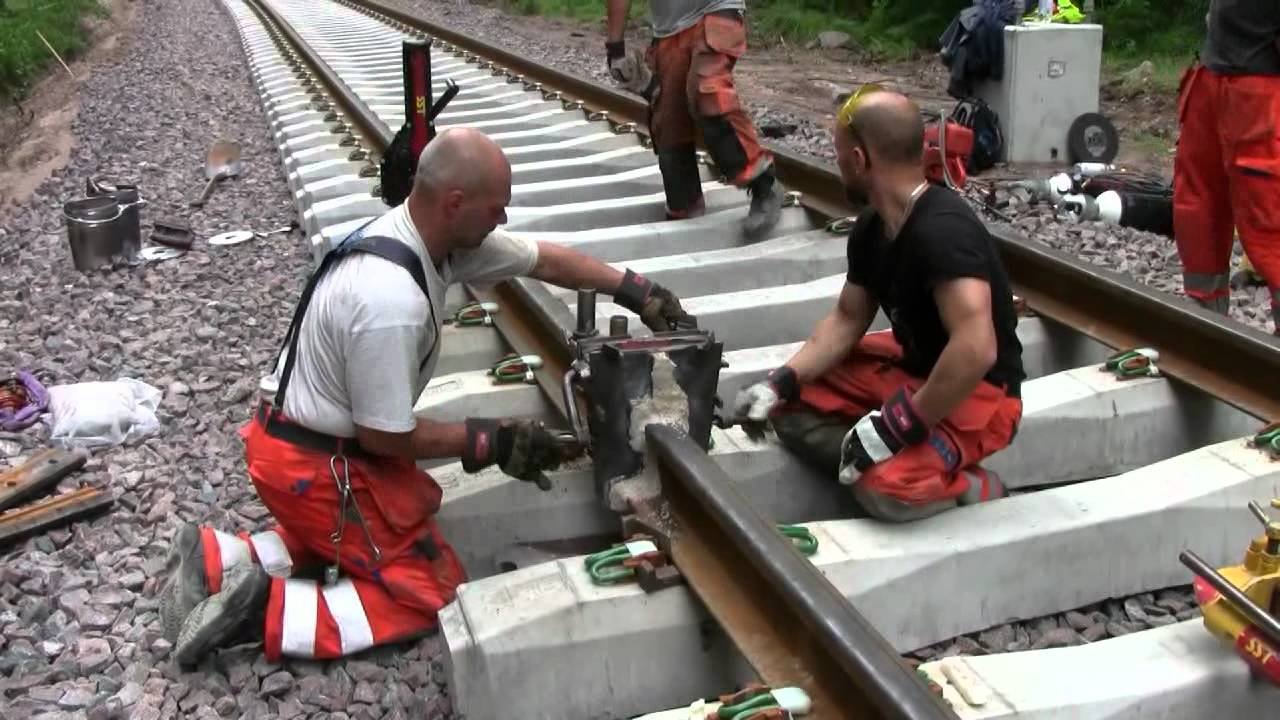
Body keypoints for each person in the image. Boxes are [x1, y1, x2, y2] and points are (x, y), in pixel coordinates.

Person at [157, 128, 693, 666]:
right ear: (455, 204)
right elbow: (384, 437)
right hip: (315, 466)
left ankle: (219, 560)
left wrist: (637, 291)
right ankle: (264, 613)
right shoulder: (390, 300)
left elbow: (544, 260)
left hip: (299, 446)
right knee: (431, 591)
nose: (501, 222)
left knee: (381, 526)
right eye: (495, 210)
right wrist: (490, 441)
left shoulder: (429, 241)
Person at [731, 87, 1025, 522]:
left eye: (839, 154)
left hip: (980, 391)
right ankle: (880, 451)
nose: (838, 164)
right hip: (915, 368)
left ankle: (969, 485)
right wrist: (781, 382)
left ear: (860, 159)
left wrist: (896, 428)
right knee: (789, 408)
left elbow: (975, 348)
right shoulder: (873, 227)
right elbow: (848, 318)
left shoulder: (942, 231)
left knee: (886, 490)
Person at [604, 0, 782, 236]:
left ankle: (763, 184)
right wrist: (615, 48)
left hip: (715, 9)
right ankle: (684, 207)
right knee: (667, 121)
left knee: (707, 92)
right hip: (668, 30)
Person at [1173, 0, 1280, 333]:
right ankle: (1207, 329)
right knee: (1198, 209)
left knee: (1270, 219)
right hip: (1214, 75)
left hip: (1259, 86)